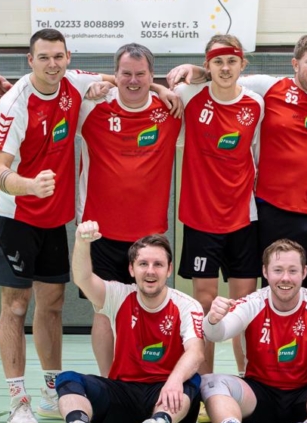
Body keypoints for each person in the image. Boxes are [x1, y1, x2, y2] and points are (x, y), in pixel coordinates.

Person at [168, 35, 307, 379]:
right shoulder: (268, 88)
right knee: (235, 303)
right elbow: (222, 74)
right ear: (295, 64)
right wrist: (196, 70)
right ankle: (226, 382)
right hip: (269, 214)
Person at [0, 28, 104, 422]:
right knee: (16, 306)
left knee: (52, 304)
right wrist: (29, 186)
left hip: (55, 216)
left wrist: (161, 88)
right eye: (44, 57)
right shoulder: (13, 105)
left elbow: (123, 78)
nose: (52, 64)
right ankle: (18, 402)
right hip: (15, 215)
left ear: (68, 57)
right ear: (30, 60)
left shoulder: (75, 84)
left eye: (58, 56)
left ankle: (52, 391)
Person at [74, 43, 183, 377]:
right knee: (104, 311)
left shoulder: (170, 110)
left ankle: (144, 380)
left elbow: (216, 80)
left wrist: (164, 89)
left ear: (151, 75)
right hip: (100, 229)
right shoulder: (91, 106)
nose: (133, 81)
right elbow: (57, 78)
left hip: (149, 235)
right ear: (115, 74)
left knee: (150, 310)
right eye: (125, 74)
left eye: (140, 74)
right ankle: (110, 382)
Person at [172, 34, 267, 379]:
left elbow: (258, 157)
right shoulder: (188, 95)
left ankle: (249, 380)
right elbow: (158, 89)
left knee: (244, 306)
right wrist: (190, 73)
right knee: (205, 304)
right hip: (201, 217)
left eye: (231, 61)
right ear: (207, 65)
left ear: (243, 64)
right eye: (217, 62)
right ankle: (206, 384)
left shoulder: (256, 103)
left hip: (244, 217)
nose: (225, 68)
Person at [200, 239, 307, 423]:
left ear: (304, 272)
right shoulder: (252, 303)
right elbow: (217, 334)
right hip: (258, 395)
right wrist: (213, 320)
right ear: (265, 272)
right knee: (210, 382)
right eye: (278, 270)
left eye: (293, 271)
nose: (285, 278)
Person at [55, 222, 203, 423]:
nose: (150, 271)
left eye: (158, 264)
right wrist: (82, 241)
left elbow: (196, 352)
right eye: (143, 264)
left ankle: (159, 420)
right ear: (131, 269)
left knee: (192, 380)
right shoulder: (118, 295)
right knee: (68, 379)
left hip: (166, 393)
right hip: (122, 391)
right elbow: (83, 279)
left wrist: (175, 380)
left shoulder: (186, 305)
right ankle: (77, 420)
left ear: (169, 270)